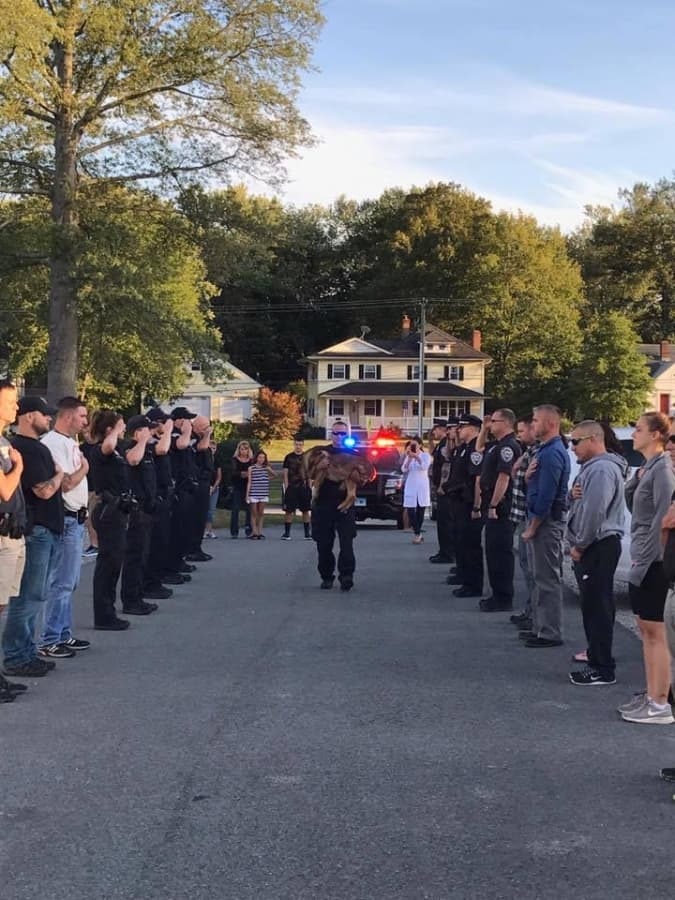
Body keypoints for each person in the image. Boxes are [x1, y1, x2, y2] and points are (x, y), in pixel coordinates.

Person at [619, 412, 675, 724]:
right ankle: (651, 693)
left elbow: (662, 520)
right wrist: (634, 481)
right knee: (645, 631)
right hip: (643, 556)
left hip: (653, 561)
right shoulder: (648, 469)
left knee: (656, 633)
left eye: (639, 429)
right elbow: (635, 507)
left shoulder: (663, 470)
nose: (634, 434)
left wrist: (651, 560)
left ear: (656, 435)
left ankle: (660, 703)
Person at [2, 396, 64, 677]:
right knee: (28, 596)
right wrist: (60, 475)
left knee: (34, 596)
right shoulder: (25, 448)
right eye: (45, 414)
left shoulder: (35, 447)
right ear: (29, 416)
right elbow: (43, 491)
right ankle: (16, 656)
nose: (50, 418)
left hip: (45, 529)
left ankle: (25, 651)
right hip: (36, 529)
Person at [566, 420, 626, 685]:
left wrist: (580, 545)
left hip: (598, 544)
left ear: (593, 439)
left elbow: (595, 513)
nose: (572, 447)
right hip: (595, 544)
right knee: (592, 605)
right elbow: (580, 502)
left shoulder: (601, 469)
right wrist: (572, 494)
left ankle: (602, 668)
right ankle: (596, 658)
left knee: (598, 607)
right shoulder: (592, 469)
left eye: (576, 441)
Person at [39, 396, 92, 658]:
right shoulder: (53, 443)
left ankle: (63, 633)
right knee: (61, 582)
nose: (85, 421)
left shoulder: (71, 442)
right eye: (82, 416)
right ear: (68, 416)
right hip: (67, 518)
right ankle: (49, 638)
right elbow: (67, 483)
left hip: (78, 518)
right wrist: (85, 468)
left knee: (70, 581)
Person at [89, 411, 132, 631]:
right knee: (108, 564)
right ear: (109, 430)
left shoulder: (116, 451)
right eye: (120, 426)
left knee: (115, 563)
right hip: (108, 511)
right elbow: (106, 447)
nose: (123, 429)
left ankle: (109, 611)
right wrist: (115, 429)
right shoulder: (100, 451)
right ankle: (104, 616)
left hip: (118, 511)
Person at [0, 380, 29, 700]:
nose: (16, 407)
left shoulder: (3, 441)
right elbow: (4, 490)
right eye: (9, 401)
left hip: (13, 533)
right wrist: (19, 466)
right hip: (1, 535)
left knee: (3, 606)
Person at [478, 409, 522, 612]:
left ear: (505, 423)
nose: (490, 424)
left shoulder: (508, 447)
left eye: (493, 422)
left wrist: (494, 504)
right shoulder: (497, 445)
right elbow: (479, 448)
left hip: (501, 506)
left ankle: (503, 597)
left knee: (500, 552)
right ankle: (497, 594)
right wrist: (484, 429)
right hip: (492, 503)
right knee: (492, 551)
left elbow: (503, 478)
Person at [119, 415, 161, 614]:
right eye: (147, 429)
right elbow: (133, 460)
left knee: (143, 555)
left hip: (148, 507)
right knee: (134, 556)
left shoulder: (148, 450)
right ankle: (130, 600)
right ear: (137, 432)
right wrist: (142, 440)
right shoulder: (130, 447)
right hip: (137, 510)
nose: (150, 432)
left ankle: (138, 595)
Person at [311, 420, 359, 591]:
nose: (339, 436)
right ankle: (326, 576)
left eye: (343, 433)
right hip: (324, 503)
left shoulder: (353, 454)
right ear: (331, 435)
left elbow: (366, 476)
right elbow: (307, 473)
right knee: (324, 544)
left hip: (345, 504)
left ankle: (346, 575)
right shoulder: (322, 453)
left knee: (346, 542)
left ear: (347, 435)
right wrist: (319, 466)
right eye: (336, 433)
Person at [445, 414, 484, 597]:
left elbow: (476, 479)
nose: (459, 430)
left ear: (474, 428)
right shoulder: (464, 448)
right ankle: (464, 576)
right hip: (458, 501)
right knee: (461, 542)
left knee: (470, 545)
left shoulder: (475, 449)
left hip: (467, 502)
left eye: (463, 426)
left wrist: (476, 506)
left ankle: (473, 584)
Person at [509, 416, 537, 631]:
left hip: (531, 516)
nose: (519, 435)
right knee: (526, 567)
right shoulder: (527, 452)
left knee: (534, 571)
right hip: (521, 513)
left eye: (522, 431)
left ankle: (536, 617)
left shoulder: (540, 452)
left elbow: (537, 487)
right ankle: (531, 610)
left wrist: (526, 476)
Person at [166, 407, 199, 577]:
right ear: (179, 420)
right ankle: (173, 565)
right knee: (177, 530)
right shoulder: (174, 435)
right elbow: (181, 444)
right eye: (187, 419)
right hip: (178, 489)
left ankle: (180, 561)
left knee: (185, 529)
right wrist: (186, 431)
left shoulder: (185, 435)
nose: (190, 423)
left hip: (188, 487)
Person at [185, 415, 214, 563]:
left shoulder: (201, 438)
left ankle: (197, 547)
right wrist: (207, 434)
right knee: (196, 517)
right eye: (204, 427)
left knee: (201, 516)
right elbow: (201, 448)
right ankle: (192, 549)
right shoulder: (194, 439)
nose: (207, 429)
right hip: (198, 482)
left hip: (205, 481)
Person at [429, 418, 457, 563]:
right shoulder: (441, 443)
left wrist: (441, 485)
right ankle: (444, 550)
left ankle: (448, 552)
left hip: (446, 490)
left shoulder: (447, 444)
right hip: (442, 489)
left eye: (436, 429)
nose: (434, 432)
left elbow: (446, 466)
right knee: (442, 522)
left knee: (447, 523)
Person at [401, 436, 431, 543]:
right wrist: (409, 458)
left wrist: (417, 457)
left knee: (420, 511)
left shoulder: (426, 456)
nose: (412, 447)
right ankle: (417, 533)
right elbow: (404, 469)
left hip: (422, 486)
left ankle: (418, 533)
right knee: (410, 510)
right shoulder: (408, 456)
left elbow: (424, 467)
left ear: (420, 445)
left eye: (414, 445)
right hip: (411, 485)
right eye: (411, 445)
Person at [282, 436, 312, 541]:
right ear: (294, 444)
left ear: (303, 445)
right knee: (289, 510)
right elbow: (285, 473)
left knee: (305, 510)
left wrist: (309, 487)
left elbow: (309, 474)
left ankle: (307, 533)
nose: (298, 446)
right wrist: (286, 487)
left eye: (300, 444)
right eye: (296, 444)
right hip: (292, 487)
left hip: (303, 487)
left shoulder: (306, 457)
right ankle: (287, 533)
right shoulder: (288, 457)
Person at [246, 449, 275, 539]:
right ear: (256, 458)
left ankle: (260, 531)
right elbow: (249, 481)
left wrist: (267, 478)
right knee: (254, 513)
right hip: (254, 492)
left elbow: (274, 475)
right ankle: (254, 532)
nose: (261, 459)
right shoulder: (251, 468)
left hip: (263, 492)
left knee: (261, 513)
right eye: (260, 457)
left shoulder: (266, 468)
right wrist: (247, 495)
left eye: (263, 457)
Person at [80, 422, 99, 557]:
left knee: (95, 517)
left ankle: (98, 543)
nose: (87, 436)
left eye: (89, 432)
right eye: (84, 433)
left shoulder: (102, 446)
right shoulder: (82, 448)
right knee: (89, 519)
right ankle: (94, 543)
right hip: (87, 486)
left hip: (99, 487)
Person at [230, 441, 253, 538]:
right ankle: (234, 531)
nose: (244, 451)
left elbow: (254, 471)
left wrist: (248, 474)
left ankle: (249, 529)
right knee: (235, 509)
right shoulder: (234, 460)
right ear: (239, 449)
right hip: (237, 486)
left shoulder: (252, 461)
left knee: (249, 509)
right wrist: (243, 474)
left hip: (249, 487)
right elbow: (233, 472)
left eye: (246, 449)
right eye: (242, 449)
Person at [204, 438, 222, 539]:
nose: (212, 450)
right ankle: (202, 531)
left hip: (214, 488)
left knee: (211, 511)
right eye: (210, 448)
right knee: (203, 510)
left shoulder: (217, 461)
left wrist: (213, 487)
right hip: (204, 487)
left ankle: (209, 530)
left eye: (214, 448)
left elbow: (219, 477)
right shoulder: (202, 459)